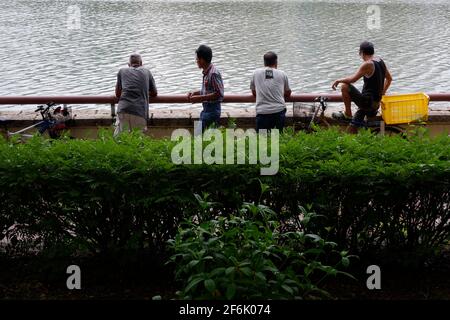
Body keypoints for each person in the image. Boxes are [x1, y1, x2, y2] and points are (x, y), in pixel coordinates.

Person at [331, 41, 392, 133]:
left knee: (344, 86)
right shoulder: (380, 61)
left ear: (362, 52)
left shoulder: (368, 64)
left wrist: (339, 80)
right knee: (353, 128)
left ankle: (347, 114)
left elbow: (352, 80)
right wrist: (382, 92)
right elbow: (389, 79)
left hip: (367, 103)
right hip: (376, 104)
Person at [114, 53, 157, 136]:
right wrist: (142, 91)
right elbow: (154, 93)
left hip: (123, 109)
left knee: (121, 138)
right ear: (141, 64)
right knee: (138, 139)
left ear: (128, 65)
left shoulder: (122, 71)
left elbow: (117, 94)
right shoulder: (147, 71)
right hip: (139, 111)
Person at [250, 51, 291, 132]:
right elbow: (288, 92)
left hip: (262, 111)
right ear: (276, 62)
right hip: (278, 111)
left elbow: (254, 92)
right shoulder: (282, 74)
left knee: (262, 140)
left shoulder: (256, 73)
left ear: (264, 62)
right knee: (277, 139)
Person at [188, 45, 224, 131]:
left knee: (198, 136)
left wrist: (199, 98)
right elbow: (208, 90)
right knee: (204, 137)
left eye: (197, 59)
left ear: (202, 60)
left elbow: (219, 93)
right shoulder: (207, 73)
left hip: (212, 111)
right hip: (206, 110)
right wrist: (195, 93)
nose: (196, 61)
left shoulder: (213, 73)